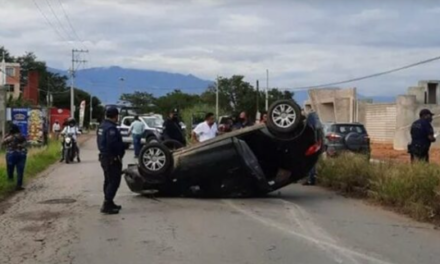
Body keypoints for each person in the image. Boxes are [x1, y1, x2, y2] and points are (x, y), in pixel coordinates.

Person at [97, 107, 125, 214]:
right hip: (111, 158)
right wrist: (119, 153)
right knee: (114, 181)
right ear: (115, 115)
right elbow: (112, 144)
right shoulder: (111, 128)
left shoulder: (102, 126)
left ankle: (109, 201)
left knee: (108, 180)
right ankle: (107, 204)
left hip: (104, 157)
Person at [2, 124, 27, 191]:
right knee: (20, 171)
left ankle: (10, 184)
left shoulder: (9, 137)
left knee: (10, 170)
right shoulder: (21, 136)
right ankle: (19, 185)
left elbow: (3, 142)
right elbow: (25, 143)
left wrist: (7, 135)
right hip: (21, 154)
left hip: (11, 155)